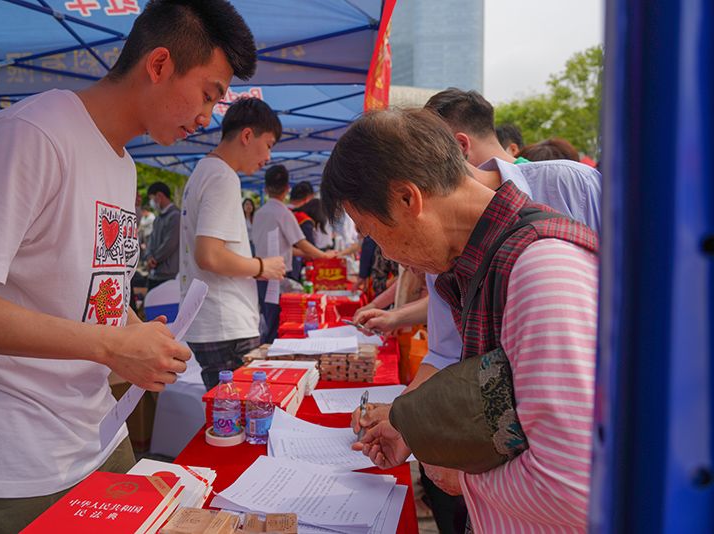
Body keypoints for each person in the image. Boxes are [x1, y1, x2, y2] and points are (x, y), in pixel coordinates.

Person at [0, 1, 256, 531]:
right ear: (160, 64)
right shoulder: (31, 135)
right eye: (208, 94)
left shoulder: (121, 164)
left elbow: (96, 296)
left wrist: (139, 336)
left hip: (93, 437)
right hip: (5, 461)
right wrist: (109, 345)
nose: (208, 117)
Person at [322, 108, 599, 532]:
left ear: (407, 199)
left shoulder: (541, 270)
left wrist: (461, 475)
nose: (388, 255)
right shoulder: (483, 264)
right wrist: (415, 432)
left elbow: (576, 489)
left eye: (371, 231)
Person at [179, 97, 286, 391]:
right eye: (268, 144)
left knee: (229, 418)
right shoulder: (222, 176)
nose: (267, 157)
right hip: (226, 325)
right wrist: (263, 266)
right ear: (247, 135)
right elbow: (209, 255)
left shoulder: (203, 171)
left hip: (214, 323)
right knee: (238, 420)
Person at [252, 165, 334, 343]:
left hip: (259, 275)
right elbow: (302, 243)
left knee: (268, 320)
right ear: (287, 188)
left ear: (265, 188)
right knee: (279, 324)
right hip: (278, 277)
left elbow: (285, 245)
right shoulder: (283, 213)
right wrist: (324, 255)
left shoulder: (258, 213)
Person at [144, 181, 181, 290]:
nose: (151, 202)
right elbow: (151, 240)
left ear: (159, 195)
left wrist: (154, 259)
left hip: (168, 274)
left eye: (152, 198)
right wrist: (149, 256)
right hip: (155, 273)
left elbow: (170, 243)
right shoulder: (158, 218)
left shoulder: (176, 216)